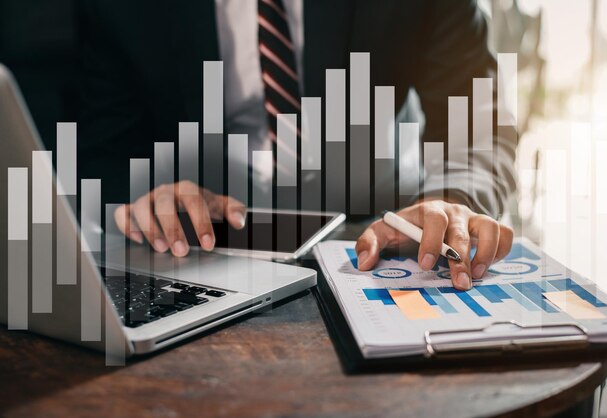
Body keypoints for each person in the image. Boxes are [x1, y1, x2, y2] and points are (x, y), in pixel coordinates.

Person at [78, 0, 516, 291]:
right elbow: (105, 148)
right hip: (202, 251)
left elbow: (478, 119)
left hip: (379, 230)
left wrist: (450, 201)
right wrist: (144, 199)